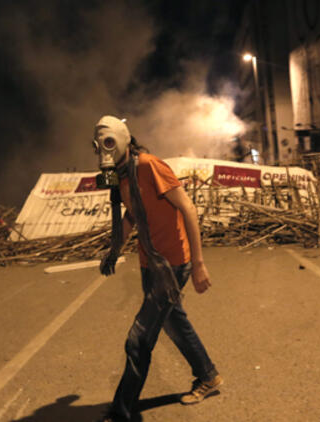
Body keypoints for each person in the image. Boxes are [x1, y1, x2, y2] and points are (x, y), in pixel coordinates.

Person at [91, 116, 222, 422]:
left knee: (138, 338)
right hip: (150, 262)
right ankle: (208, 376)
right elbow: (131, 216)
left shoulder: (149, 166)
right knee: (173, 322)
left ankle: (122, 410)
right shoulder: (120, 177)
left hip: (172, 264)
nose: (104, 150)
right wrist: (114, 250)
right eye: (99, 144)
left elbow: (187, 208)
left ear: (123, 139)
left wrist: (199, 264)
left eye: (109, 142)